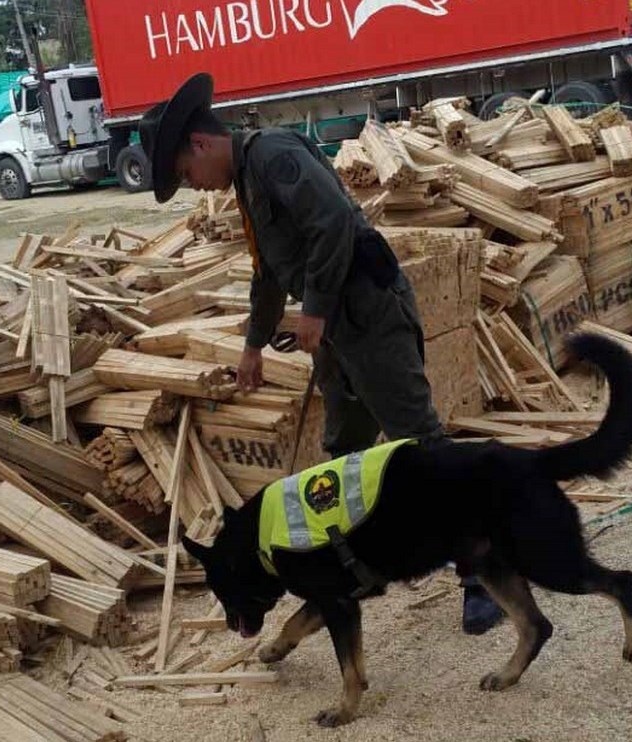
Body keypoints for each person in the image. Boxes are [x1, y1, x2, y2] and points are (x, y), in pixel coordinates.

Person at [139, 72, 502, 635]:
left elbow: (333, 220)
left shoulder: (273, 155)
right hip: (339, 330)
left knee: (419, 442)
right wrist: (254, 345)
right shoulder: (247, 184)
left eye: (188, 175)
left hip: (370, 313)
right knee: (343, 451)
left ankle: (483, 572)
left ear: (200, 143)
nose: (197, 187)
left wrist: (314, 306)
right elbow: (267, 271)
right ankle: (355, 565)